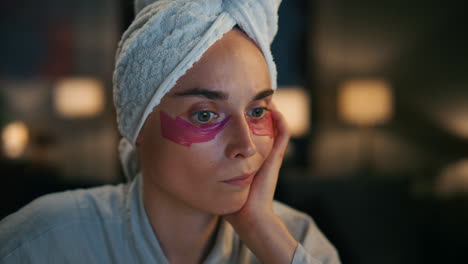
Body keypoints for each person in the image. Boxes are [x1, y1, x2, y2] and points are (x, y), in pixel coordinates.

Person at [0, 0, 340, 263]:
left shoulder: (297, 240)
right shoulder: (41, 242)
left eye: (256, 111)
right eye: (205, 115)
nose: (246, 146)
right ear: (138, 124)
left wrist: (262, 232)